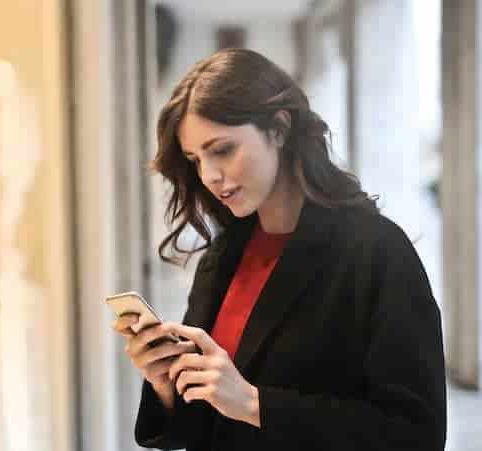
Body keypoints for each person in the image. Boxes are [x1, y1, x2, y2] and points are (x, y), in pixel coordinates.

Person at [113, 48, 447, 451]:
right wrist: (167, 383)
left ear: (279, 129)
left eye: (222, 150)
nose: (209, 176)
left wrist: (255, 404)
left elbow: (415, 434)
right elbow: (201, 423)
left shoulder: (375, 252)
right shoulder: (224, 256)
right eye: (194, 159)